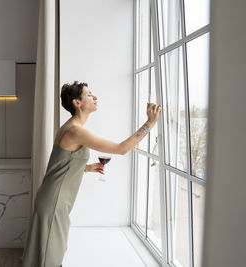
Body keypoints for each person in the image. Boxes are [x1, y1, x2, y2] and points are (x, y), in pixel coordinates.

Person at [21, 81, 161, 267]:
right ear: (77, 103)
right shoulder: (76, 131)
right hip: (54, 203)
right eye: (88, 94)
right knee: (50, 260)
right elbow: (121, 149)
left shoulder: (69, 127)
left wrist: (86, 167)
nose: (94, 97)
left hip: (52, 200)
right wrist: (149, 123)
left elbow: (60, 162)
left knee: (48, 256)